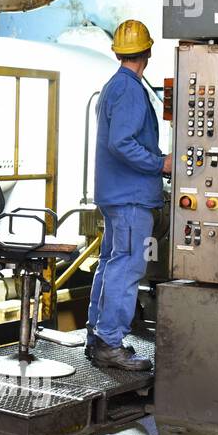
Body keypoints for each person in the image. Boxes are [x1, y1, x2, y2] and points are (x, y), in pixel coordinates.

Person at [86, 19, 171, 371]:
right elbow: (122, 142)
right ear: (148, 52)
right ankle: (109, 343)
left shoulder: (112, 87)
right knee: (126, 266)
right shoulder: (131, 90)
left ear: (118, 51)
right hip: (131, 197)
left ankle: (98, 337)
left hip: (116, 195)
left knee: (111, 264)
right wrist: (160, 164)